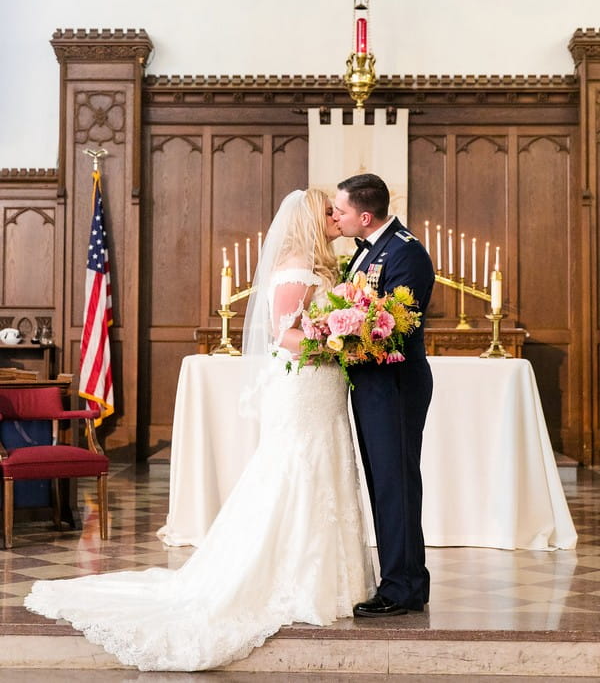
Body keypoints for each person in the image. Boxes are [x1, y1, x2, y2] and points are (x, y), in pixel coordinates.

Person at [24, 189, 375, 672]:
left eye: (340, 211)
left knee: (325, 469)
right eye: (330, 212)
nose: (337, 217)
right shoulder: (294, 267)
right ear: (313, 220)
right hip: (306, 386)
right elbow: (284, 335)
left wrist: (343, 335)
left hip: (324, 388)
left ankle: (333, 579)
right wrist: (339, 347)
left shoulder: (323, 266)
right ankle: (291, 577)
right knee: (296, 472)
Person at [333, 173, 435, 617]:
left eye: (341, 210)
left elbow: (397, 323)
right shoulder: (368, 250)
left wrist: (332, 331)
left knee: (395, 482)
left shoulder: (405, 251)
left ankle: (400, 587)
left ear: (365, 215)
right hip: (372, 382)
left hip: (394, 383)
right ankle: (408, 579)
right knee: (386, 481)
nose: (335, 217)